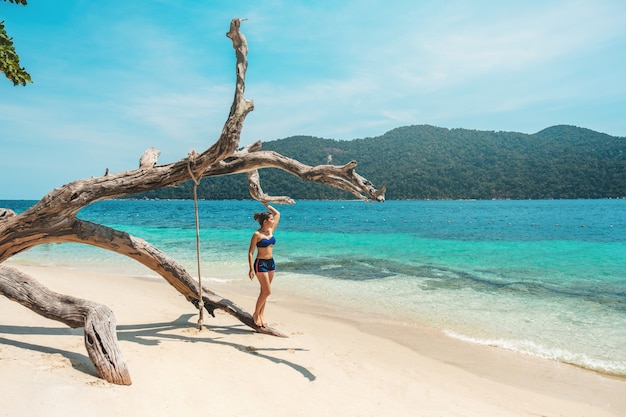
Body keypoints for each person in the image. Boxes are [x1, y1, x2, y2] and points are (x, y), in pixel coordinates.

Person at [248, 202, 280, 327]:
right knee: (267, 291)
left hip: (271, 263)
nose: (273, 221)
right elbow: (250, 252)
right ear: (265, 221)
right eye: (271, 219)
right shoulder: (257, 234)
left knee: (263, 291)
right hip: (260, 264)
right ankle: (256, 313)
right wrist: (251, 269)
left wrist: (265, 203)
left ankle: (261, 315)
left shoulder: (271, 230)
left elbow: (278, 213)